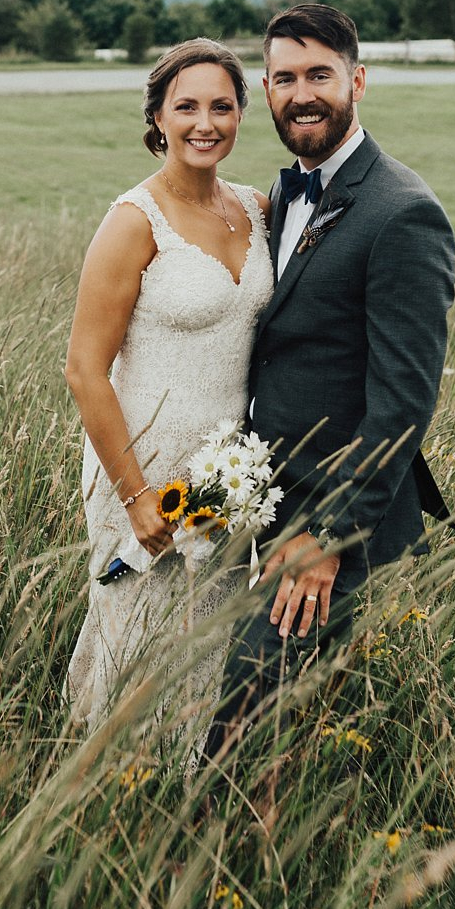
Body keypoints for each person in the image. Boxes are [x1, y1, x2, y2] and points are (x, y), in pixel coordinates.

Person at [206, 3, 455, 754]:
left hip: (328, 514)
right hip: (267, 496)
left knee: (244, 725)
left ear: (358, 79)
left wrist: (327, 536)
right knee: (282, 727)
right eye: (285, 77)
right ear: (267, 88)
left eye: (320, 73)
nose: (302, 92)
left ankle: (228, 864)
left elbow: (404, 405)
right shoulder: (284, 197)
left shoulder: (404, 214)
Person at [65, 39, 274, 744]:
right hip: (143, 471)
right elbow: (83, 370)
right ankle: (106, 795)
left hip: (223, 477)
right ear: (158, 115)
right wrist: (135, 495)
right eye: (186, 105)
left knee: (200, 655)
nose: (204, 121)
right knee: (136, 652)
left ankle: (178, 806)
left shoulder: (257, 210)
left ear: (242, 113)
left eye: (222, 105)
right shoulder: (134, 220)